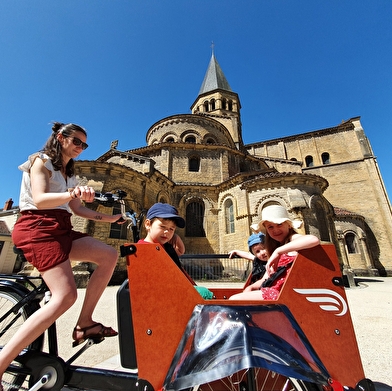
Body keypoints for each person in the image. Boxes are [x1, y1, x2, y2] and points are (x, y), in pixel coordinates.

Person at [0, 122, 124, 388]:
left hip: (62, 227)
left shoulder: (70, 174)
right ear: (61, 138)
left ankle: (84, 323)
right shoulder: (40, 161)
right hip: (38, 227)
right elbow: (41, 198)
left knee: (108, 254)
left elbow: (79, 211)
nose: (80, 148)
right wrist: (71, 193)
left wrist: (111, 219)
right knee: (65, 295)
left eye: (84, 145)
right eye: (77, 142)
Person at [230, 204, 320, 300]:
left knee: (234, 300)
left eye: (279, 224)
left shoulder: (292, 238)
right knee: (235, 300)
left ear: (289, 225)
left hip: (287, 293)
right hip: (278, 291)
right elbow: (266, 277)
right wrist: (251, 287)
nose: (276, 230)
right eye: (270, 227)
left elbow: (313, 239)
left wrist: (278, 251)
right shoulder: (276, 247)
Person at [138, 203, 213, 299]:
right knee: (206, 294)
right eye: (163, 227)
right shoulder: (144, 249)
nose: (167, 232)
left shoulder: (164, 247)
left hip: (174, 293)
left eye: (171, 229)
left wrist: (175, 237)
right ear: (148, 224)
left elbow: (180, 251)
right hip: (168, 296)